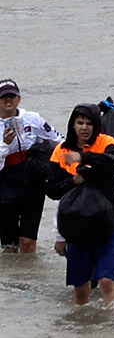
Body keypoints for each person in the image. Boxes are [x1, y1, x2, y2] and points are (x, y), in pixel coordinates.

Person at [47, 104, 114, 305]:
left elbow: (113, 160)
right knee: (80, 286)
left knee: (106, 280)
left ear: (96, 125)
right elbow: (51, 190)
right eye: (79, 123)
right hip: (75, 224)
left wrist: (84, 157)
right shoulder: (61, 151)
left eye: (89, 123)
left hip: (107, 221)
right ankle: (82, 324)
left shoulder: (106, 142)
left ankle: (113, 324)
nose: (84, 128)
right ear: (73, 125)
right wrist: (72, 181)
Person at [0, 81, 58, 254]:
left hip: (33, 182)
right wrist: (5, 144)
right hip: (5, 184)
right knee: (9, 246)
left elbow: (57, 140)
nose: (8, 100)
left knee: (27, 241)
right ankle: (12, 279)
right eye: (3, 97)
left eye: (12, 96)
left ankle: (28, 276)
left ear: (19, 98)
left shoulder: (33, 119)